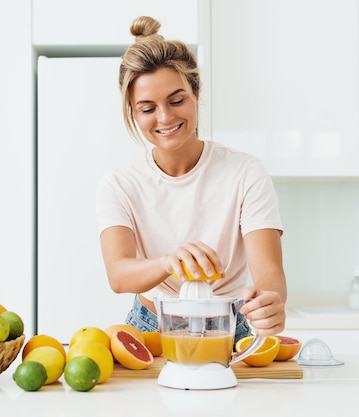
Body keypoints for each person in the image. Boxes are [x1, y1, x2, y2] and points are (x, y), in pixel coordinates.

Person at [96, 16, 286, 343]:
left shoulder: (245, 172)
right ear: (132, 111)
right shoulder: (119, 183)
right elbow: (119, 274)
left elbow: (269, 271)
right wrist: (169, 262)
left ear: (196, 93)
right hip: (148, 327)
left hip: (228, 326)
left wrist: (270, 302)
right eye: (147, 108)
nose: (166, 117)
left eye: (177, 100)